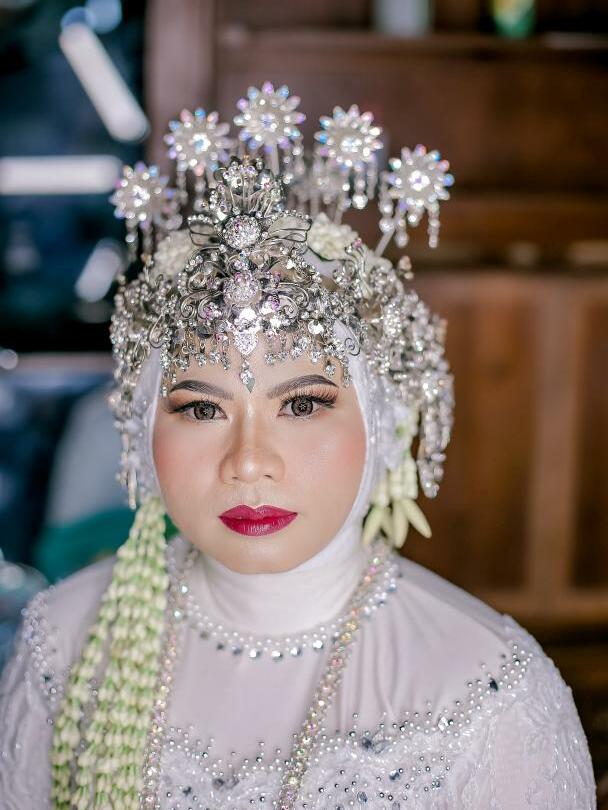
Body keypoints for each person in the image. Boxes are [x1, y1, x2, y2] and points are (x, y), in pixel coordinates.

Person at [0, 83, 596, 809]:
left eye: (303, 404)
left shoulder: (487, 692)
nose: (249, 461)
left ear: (381, 421)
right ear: (141, 425)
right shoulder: (62, 645)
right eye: (201, 409)